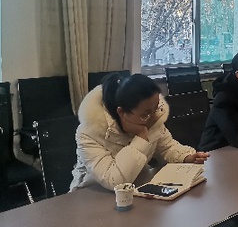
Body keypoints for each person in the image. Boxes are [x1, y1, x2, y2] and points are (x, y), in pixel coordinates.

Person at [70, 73, 209, 191]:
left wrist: (186, 156)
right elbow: (114, 181)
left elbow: (166, 147)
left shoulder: (152, 117)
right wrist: (141, 137)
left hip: (135, 189)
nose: (153, 116)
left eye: (156, 107)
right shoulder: (89, 133)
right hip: (91, 195)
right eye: (145, 114)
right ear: (122, 112)